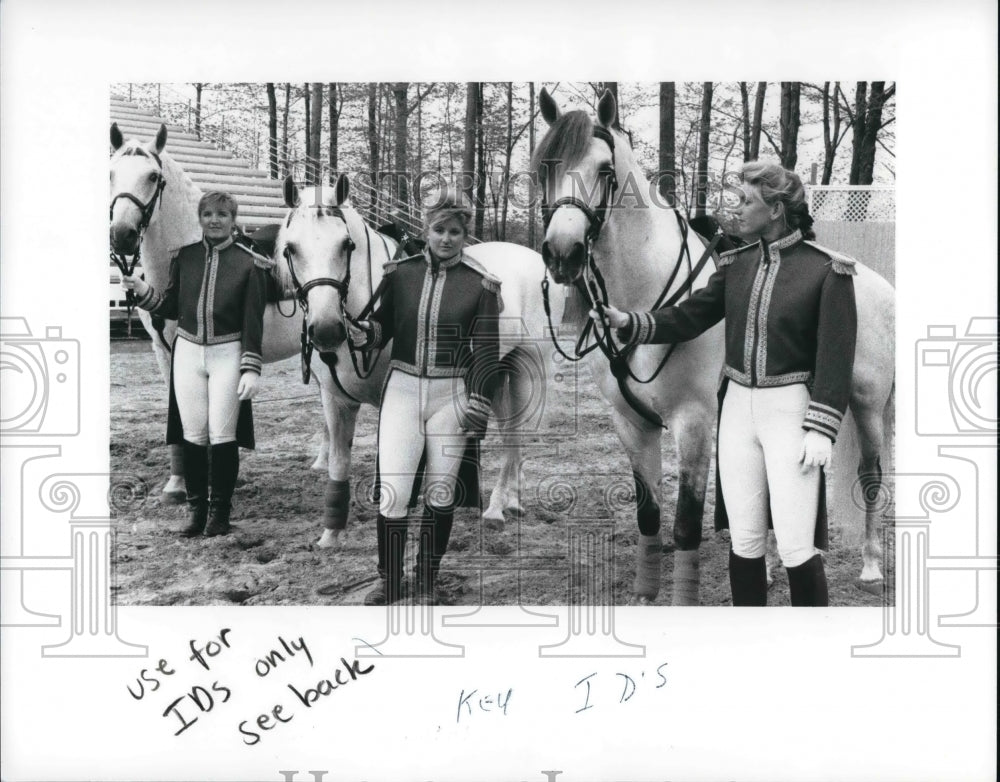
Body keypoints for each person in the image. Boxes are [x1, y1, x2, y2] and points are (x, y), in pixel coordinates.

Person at [592, 161, 857, 607]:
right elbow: (687, 317)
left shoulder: (827, 271)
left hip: (791, 415)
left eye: (746, 201)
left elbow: (836, 357)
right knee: (745, 542)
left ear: (775, 210)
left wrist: (822, 426)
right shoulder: (736, 264)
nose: (737, 209)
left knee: (795, 545)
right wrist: (630, 322)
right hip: (735, 413)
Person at [350, 187, 502, 605]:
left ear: (465, 233)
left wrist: (480, 400)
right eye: (439, 229)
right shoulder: (400, 273)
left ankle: (427, 577)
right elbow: (382, 327)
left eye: (455, 230)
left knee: (440, 490)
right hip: (401, 389)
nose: (447, 238)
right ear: (426, 228)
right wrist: (364, 333)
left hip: (452, 394)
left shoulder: (481, 284)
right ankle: (389, 577)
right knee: (394, 490)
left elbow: (487, 349)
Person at [123, 191, 269, 538]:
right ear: (200, 218)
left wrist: (251, 367)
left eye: (222, 214)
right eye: (207, 214)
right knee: (192, 435)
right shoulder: (185, 257)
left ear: (233, 219)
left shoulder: (251, 262)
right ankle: (196, 511)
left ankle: (219, 512)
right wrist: (143, 290)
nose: (214, 220)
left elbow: (253, 323)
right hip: (187, 352)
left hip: (228, 353)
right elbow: (171, 307)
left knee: (222, 434)